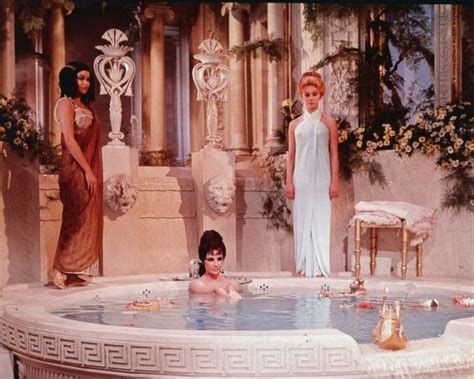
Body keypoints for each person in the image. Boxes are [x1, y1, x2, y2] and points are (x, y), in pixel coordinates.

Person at [50, 61, 103, 289]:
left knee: (87, 218)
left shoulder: (87, 105)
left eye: (88, 79)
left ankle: (74, 270)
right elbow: (70, 141)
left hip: (87, 168)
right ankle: (58, 268)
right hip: (74, 170)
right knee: (74, 219)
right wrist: (88, 170)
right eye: (80, 78)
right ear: (71, 80)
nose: (85, 83)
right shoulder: (65, 104)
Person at [285, 71, 339, 277]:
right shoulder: (294, 125)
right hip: (302, 178)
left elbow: (334, 154)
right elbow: (291, 156)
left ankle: (320, 267)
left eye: (314, 94)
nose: (310, 98)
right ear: (301, 95)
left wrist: (334, 181)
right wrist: (288, 182)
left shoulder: (329, 123)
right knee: (302, 218)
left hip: (323, 177)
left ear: (321, 95)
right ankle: (302, 266)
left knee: (321, 218)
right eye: (307, 94)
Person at [189, 230, 241, 300]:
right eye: (211, 259)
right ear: (203, 261)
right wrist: (223, 292)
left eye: (219, 259)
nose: (216, 264)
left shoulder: (233, 284)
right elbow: (212, 290)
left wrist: (231, 289)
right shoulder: (196, 285)